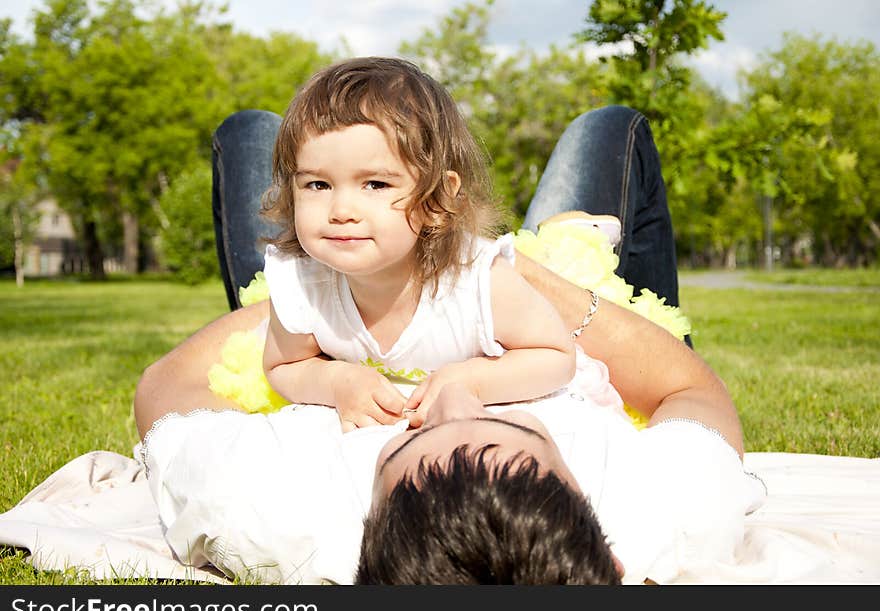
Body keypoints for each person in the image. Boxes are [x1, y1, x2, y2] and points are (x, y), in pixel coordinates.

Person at [134, 96, 755, 585]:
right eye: (513, 429)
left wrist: (327, 292)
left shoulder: (284, 517)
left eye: (414, 435)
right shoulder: (659, 515)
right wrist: (508, 272)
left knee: (250, 131)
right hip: (528, 288)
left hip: (378, 273)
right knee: (612, 125)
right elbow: (689, 387)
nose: (452, 401)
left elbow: (168, 388)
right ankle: (564, 234)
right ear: (614, 559)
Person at [259, 58, 575, 432]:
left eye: (375, 184)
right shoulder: (302, 283)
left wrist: (471, 381)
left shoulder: (475, 280)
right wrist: (336, 382)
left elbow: (557, 356)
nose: (341, 210)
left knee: (572, 253)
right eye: (318, 185)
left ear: (437, 197)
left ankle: (575, 229)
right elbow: (284, 365)